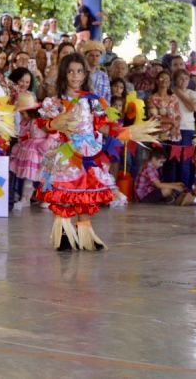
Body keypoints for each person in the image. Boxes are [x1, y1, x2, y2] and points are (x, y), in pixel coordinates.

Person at [37, 53, 121, 251]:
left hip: (89, 153)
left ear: (85, 74)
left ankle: (85, 234)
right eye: (71, 72)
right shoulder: (56, 101)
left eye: (79, 71)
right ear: (64, 74)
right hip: (66, 152)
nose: (75, 76)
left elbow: (102, 126)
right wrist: (54, 124)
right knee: (64, 193)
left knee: (85, 193)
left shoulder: (93, 101)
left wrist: (123, 132)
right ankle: (63, 234)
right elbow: (45, 125)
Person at [148, 70, 181, 180]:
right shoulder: (152, 98)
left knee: (172, 163)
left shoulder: (174, 97)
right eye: (161, 78)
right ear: (157, 81)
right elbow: (154, 117)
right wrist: (172, 121)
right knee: (158, 163)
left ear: (170, 82)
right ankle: (158, 188)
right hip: (159, 135)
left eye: (167, 79)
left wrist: (175, 126)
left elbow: (178, 116)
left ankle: (170, 188)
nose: (164, 80)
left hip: (174, 134)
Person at [172, 68, 196, 188]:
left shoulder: (192, 93)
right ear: (175, 80)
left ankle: (185, 188)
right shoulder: (171, 92)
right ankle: (174, 187)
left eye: (186, 78)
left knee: (185, 160)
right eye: (180, 78)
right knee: (173, 159)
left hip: (188, 129)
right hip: (173, 128)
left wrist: (180, 94)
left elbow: (195, 108)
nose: (183, 81)